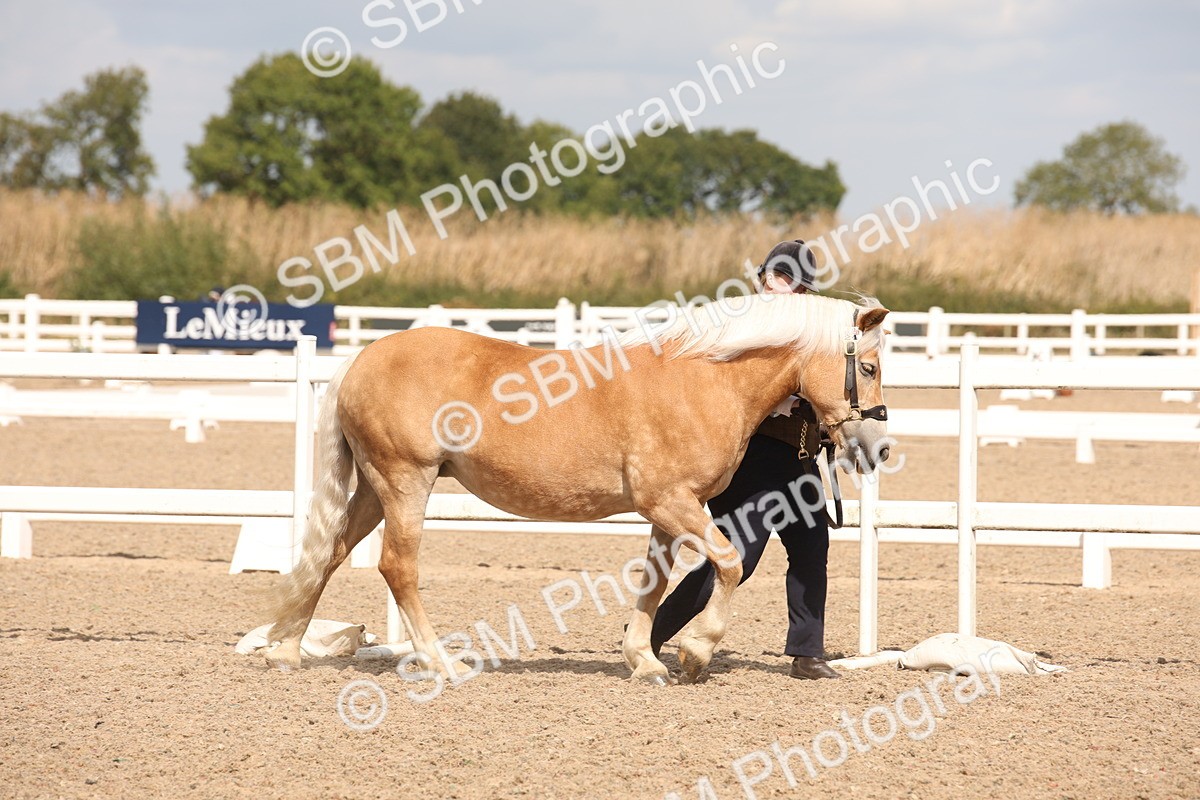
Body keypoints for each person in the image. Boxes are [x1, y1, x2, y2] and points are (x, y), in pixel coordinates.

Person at [650, 239, 839, 680]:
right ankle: (653, 631)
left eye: (792, 281)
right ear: (763, 277)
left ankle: (807, 653)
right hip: (749, 456)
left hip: (800, 459)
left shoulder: (812, 332)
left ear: (804, 290)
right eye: (777, 276)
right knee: (740, 555)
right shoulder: (740, 322)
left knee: (812, 551)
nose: (781, 287)